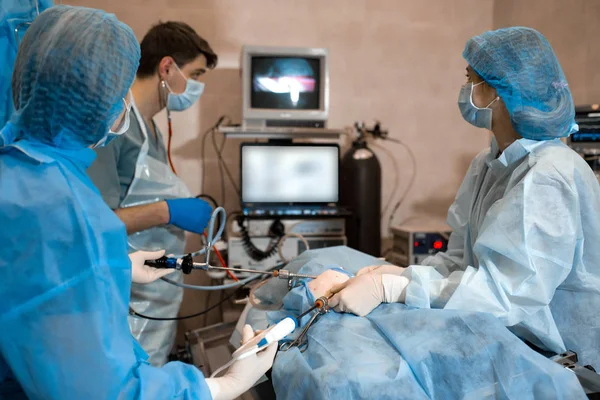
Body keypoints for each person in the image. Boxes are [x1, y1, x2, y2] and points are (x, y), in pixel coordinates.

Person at [0, 6, 276, 399]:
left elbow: (33, 278)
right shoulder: (59, 202)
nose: (122, 107)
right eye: (117, 94)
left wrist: (115, 265)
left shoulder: (18, 169)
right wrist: (222, 386)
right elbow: (107, 391)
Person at [329, 27, 600, 369]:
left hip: (557, 359)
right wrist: (402, 274)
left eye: (470, 79)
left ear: (500, 92)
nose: (465, 90)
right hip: (500, 333)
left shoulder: (550, 175)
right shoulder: (489, 164)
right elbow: (460, 263)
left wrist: (393, 290)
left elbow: (505, 295)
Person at [87, 21, 218, 365]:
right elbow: (92, 223)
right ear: (167, 67)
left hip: (153, 299)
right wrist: (169, 211)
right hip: (121, 300)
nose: (197, 86)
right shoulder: (116, 127)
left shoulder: (151, 132)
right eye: (196, 74)